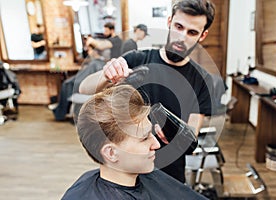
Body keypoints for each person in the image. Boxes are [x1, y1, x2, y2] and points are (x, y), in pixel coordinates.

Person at [79, 0, 216, 183]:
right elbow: (84, 87)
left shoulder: (202, 80)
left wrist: (172, 129)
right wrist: (106, 75)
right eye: (178, 26)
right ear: (169, 22)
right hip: (125, 170)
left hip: (170, 174)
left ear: (203, 35)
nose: (181, 37)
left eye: (191, 32)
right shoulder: (138, 59)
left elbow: (189, 137)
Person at [61, 84, 207, 200]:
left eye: (151, 133)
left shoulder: (148, 177)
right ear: (111, 153)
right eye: (144, 138)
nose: (156, 144)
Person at [49, 46, 105, 121]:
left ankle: (60, 113)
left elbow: (80, 79)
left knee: (66, 84)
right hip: (83, 83)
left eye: (89, 50)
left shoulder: (94, 64)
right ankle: (60, 110)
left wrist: (71, 82)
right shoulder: (96, 63)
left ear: (94, 51)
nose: (88, 52)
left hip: (81, 85)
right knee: (67, 84)